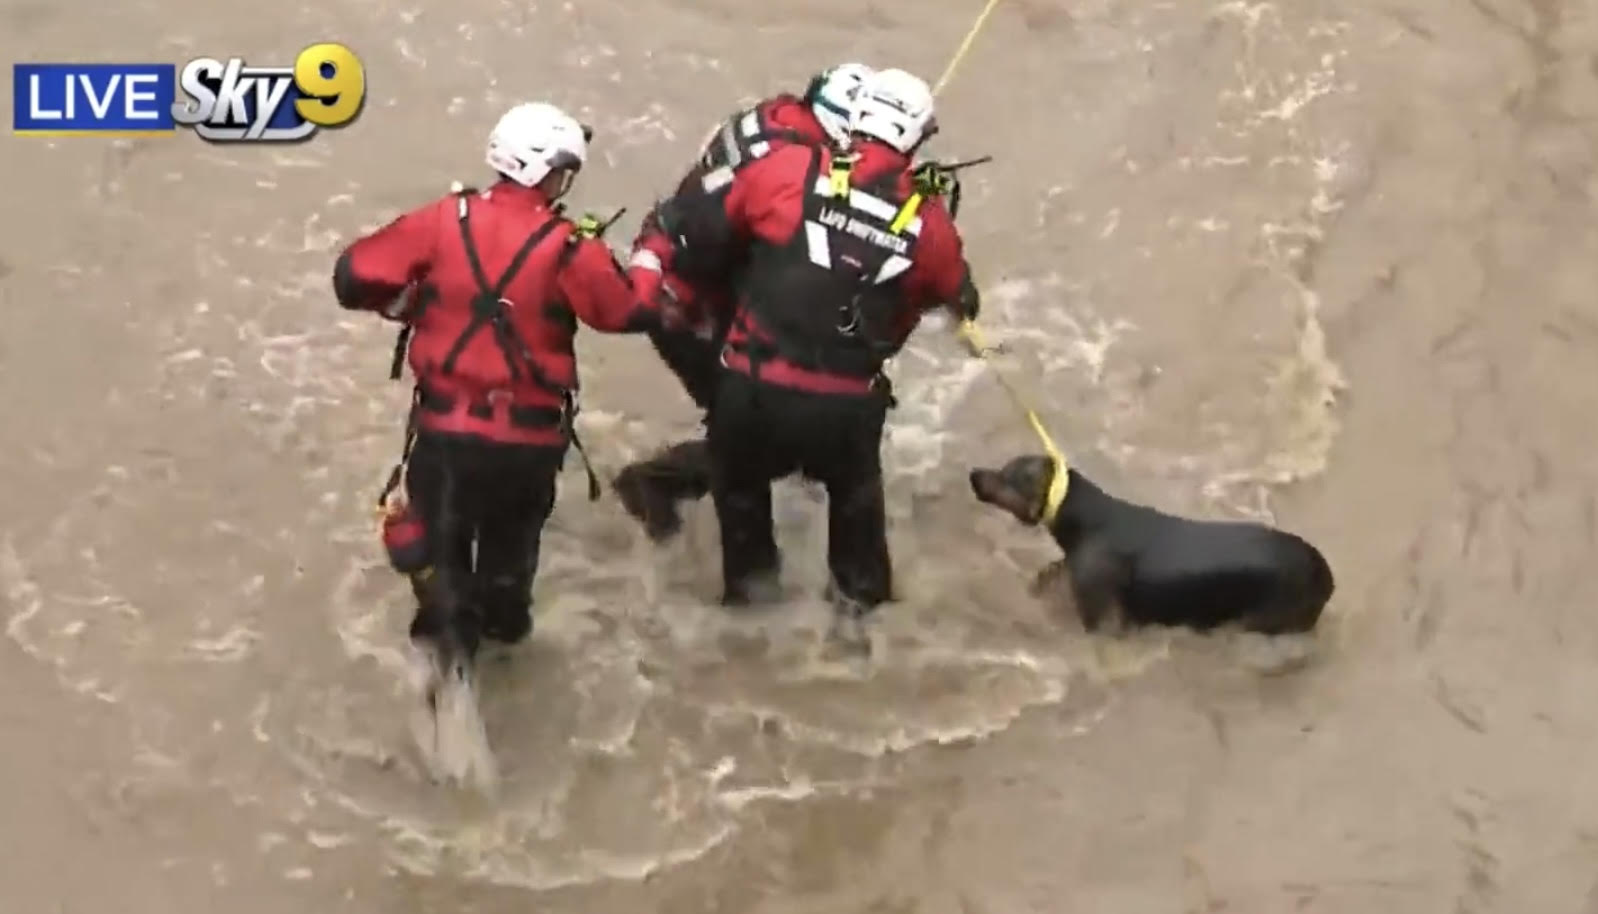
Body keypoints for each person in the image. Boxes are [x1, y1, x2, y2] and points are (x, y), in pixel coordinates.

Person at [648, 68, 982, 643]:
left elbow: (696, 236)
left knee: (744, 506)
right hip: (845, 411)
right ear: (917, 138)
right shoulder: (931, 225)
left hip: (751, 391)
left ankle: (751, 641)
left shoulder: (782, 170)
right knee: (857, 528)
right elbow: (959, 296)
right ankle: (862, 648)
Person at [332, 102, 660, 662]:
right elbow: (628, 313)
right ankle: (508, 664)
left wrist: (408, 304)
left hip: (443, 437)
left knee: (441, 569)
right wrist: (651, 259)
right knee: (509, 571)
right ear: (544, 171)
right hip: (525, 450)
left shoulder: (444, 219)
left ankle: (443, 679)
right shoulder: (570, 246)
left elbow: (351, 277)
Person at [614, 63, 876, 541]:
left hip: (692, 282)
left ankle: (681, 485)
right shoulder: (785, 164)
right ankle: (656, 483)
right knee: (758, 428)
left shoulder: (777, 120)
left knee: (765, 423)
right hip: (689, 301)